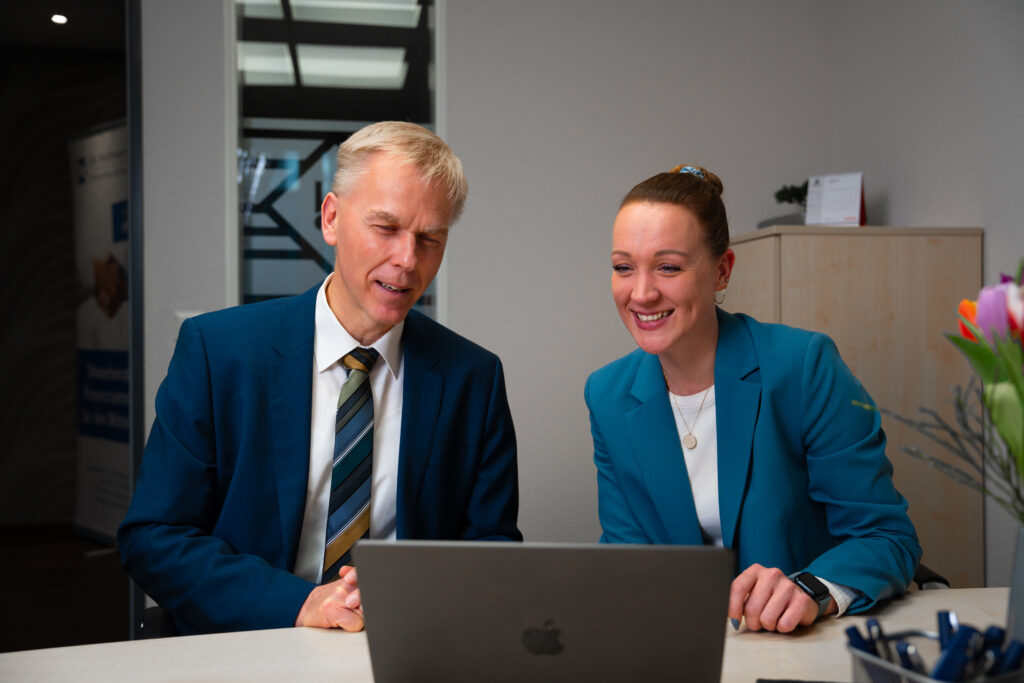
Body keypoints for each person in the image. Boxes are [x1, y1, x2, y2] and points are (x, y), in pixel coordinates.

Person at [118, 121, 521, 636]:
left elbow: (493, 550)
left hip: (401, 645)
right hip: (251, 644)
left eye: (429, 238)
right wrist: (300, 604)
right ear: (331, 218)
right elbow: (153, 536)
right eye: (386, 228)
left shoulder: (473, 377)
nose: (406, 260)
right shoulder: (219, 352)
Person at [585, 164, 920, 633]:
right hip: (687, 646)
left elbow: (887, 537)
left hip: (803, 644)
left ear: (721, 270)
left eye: (668, 267)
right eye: (624, 268)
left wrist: (812, 590)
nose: (641, 293)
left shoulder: (803, 365)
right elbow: (628, 559)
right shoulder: (607, 395)